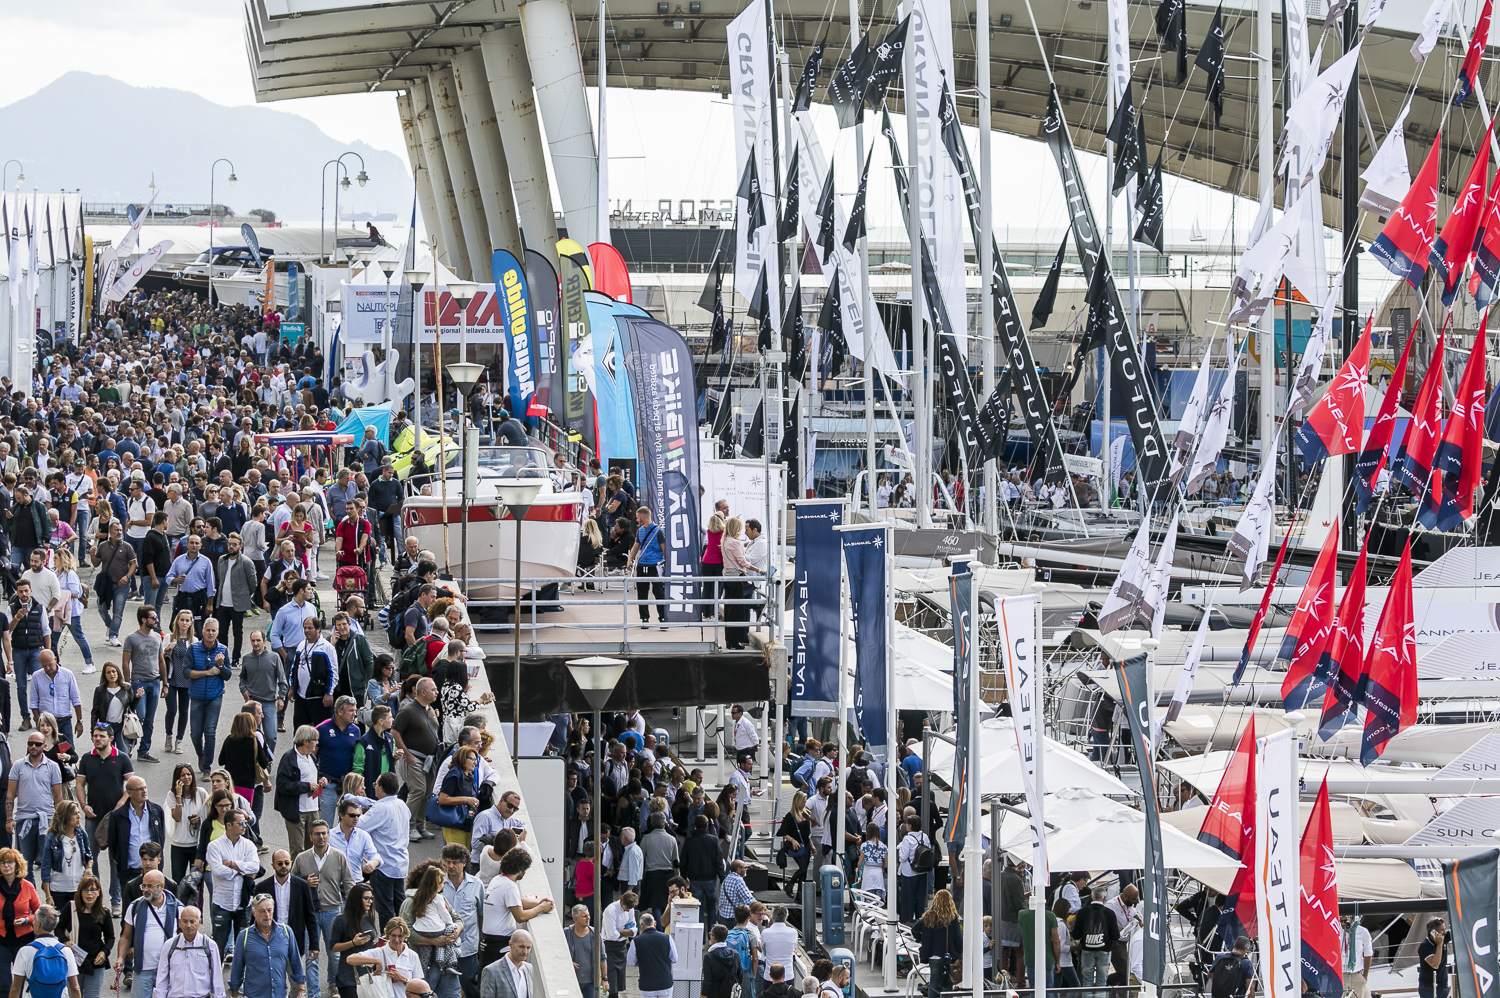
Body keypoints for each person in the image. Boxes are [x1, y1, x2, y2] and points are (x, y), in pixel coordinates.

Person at [253, 851, 318, 998]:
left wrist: (314, 944)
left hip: (293, 942)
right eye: (280, 863)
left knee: (296, 984)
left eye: (286, 863)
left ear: (291, 863)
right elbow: (254, 919)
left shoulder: (301, 886)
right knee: (271, 983)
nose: (283, 866)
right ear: (273, 865)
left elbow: (310, 916)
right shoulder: (262, 887)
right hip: (268, 943)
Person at [480, 848, 552, 967]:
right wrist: (541, 908)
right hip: (499, 943)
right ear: (520, 870)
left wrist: (539, 903)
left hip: (487, 940)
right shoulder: (510, 886)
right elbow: (520, 916)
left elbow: (516, 902)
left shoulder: (497, 880)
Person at [355, 773, 410, 929]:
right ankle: (403, 940)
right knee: (400, 907)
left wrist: (356, 803)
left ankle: (389, 943)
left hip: (383, 866)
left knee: (385, 909)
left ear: (381, 788)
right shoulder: (402, 805)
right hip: (400, 864)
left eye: (375, 785)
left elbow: (359, 825)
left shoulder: (380, 809)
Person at [9, 730, 64, 886]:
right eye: (30, 743)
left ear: (44, 746)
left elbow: (58, 797)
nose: (33, 746)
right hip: (23, 820)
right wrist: (9, 819)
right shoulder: (18, 766)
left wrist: (59, 822)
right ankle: (29, 900)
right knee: (24, 864)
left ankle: (51, 898)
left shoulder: (53, 767)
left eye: (37, 744)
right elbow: (10, 795)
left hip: (46, 820)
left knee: (49, 861)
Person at [116, 870, 182, 998]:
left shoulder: (178, 908)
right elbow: (126, 936)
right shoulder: (134, 907)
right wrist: (120, 958)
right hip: (142, 969)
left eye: (150, 886)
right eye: (143, 886)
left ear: (161, 886)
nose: (145, 889)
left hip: (169, 969)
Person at [227, 893, 306, 998]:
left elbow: (296, 962)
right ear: (254, 913)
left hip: (279, 995)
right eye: (262, 911)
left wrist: (301, 990)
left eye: (269, 910)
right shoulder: (244, 936)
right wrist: (234, 995)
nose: (267, 915)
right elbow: (237, 969)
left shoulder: (286, 932)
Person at [391, 679, 439, 842]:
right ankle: (409, 826)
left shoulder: (430, 709)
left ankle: (420, 825)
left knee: (426, 792)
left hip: (430, 759)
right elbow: (395, 732)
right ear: (423, 692)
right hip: (415, 757)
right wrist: (406, 754)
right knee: (417, 790)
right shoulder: (408, 710)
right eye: (433, 690)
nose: (436, 692)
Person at [186, 618, 231, 778]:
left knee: (210, 732)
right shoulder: (193, 648)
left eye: (214, 630)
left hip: (214, 697)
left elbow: (227, 676)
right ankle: (201, 754)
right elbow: (186, 672)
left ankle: (207, 767)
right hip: (197, 697)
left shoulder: (223, 650)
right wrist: (206, 672)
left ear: (217, 632)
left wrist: (220, 665)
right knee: (195, 734)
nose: (211, 633)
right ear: (203, 632)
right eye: (208, 630)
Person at [39, 800, 92, 936]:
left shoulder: (81, 835)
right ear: (66, 817)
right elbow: (45, 867)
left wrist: (89, 867)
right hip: (59, 890)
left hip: (78, 889)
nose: (79, 816)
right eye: (75, 814)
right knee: (61, 928)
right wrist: (48, 896)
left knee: (79, 926)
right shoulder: (52, 838)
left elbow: (89, 856)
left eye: (78, 813)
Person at [147, 904, 224, 998]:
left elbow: (217, 979)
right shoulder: (169, 945)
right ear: (179, 922)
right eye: (185, 921)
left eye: (192, 922)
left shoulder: (210, 946)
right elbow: (162, 978)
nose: (188, 925)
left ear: (199, 922)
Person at [9, 904, 81, 998]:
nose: (33, 922)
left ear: (38, 924)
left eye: (34, 920)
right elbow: (75, 988)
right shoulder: (65, 951)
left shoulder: (25, 951)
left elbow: (15, 988)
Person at [121, 606, 165, 761]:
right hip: (138, 683)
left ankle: (143, 751)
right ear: (144, 620)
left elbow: (161, 660)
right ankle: (128, 745)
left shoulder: (157, 637)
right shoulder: (131, 638)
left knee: (150, 720)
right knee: (139, 717)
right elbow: (125, 663)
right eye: (153, 618)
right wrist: (127, 685)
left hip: (154, 682)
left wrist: (164, 683)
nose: (156, 620)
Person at [10, 579, 51, 733]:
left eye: (26, 591)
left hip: (35, 650)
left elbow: (46, 631)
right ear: (17, 592)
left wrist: (48, 653)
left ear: (31, 591)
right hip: (19, 651)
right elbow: (7, 631)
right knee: (21, 686)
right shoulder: (12, 608)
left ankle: (40, 718)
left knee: (38, 684)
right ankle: (25, 718)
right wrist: (17, 618)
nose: (24, 594)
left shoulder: (39, 608)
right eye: (21, 591)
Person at [214, 533, 258, 667]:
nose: (231, 547)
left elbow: (253, 583)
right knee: (222, 632)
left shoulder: (246, 562)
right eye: (229, 544)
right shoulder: (222, 560)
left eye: (234, 544)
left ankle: (235, 658)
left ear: (240, 546)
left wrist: (244, 595)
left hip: (238, 604)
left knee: (237, 631)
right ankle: (224, 657)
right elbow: (220, 579)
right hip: (222, 603)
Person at [238, 632, 286, 752]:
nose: (255, 643)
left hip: (269, 702)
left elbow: (282, 679)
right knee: (251, 736)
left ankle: (267, 760)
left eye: (258, 640)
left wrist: (281, 697)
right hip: (252, 703)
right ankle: (255, 762)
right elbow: (242, 678)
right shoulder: (246, 658)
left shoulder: (274, 657)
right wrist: (243, 690)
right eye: (253, 641)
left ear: (264, 641)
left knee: (271, 736)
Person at [329, 886, 378, 998]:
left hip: (367, 974)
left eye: (371, 898)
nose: (370, 901)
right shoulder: (341, 920)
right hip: (348, 977)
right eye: (366, 898)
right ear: (356, 899)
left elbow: (367, 945)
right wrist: (353, 943)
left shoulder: (367, 918)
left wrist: (378, 945)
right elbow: (333, 947)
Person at [0, 849, 41, 983]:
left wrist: (26, 920)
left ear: (17, 865)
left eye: (10, 862)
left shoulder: (27, 886)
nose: (6, 866)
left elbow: (39, 914)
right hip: (2, 940)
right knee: (4, 983)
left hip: (24, 940)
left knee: (24, 982)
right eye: (3, 863)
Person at [291, 618, 338, 731]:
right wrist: (292, 686)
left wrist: (329, 692)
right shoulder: (301, 645)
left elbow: (333, 672)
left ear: (318, 628)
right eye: (305, 628)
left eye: (310, 628)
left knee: (322, 730)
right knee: (300, 729)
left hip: (318, 696)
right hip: (301, 696)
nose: (306, 630)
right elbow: (294, 667)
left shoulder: (327, 648)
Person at [1075, 886, 1121, 998]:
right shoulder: (1110, 913)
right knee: (1101, 982)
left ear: (1091, 897)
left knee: (1087, 982)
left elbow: (1076, 934)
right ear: (1104, 898)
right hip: (1104, 950)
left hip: (1087, 950)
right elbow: (1115, 936)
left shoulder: (1082, 912)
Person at [161, 611, 196, 757]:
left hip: (187, 680)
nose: (184, 623)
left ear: (191, 623)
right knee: (172, 709)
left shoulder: (193, 640)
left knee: (184, 710)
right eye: (182, 620)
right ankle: (169, 735)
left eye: (187, 620)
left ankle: (179, 740)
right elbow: (160, 657)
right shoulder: (170, 637)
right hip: (171, 678)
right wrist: (166, 649)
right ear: (177, 621)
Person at [71, 877, 112, 998]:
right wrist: (65, 941)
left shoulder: (104, 912)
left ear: (99, 892)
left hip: (95, 961)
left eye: (93, 890)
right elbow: (58, 929)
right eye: (85, 890)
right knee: (74, 994)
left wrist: (104, 952)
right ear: (80, 892)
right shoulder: (71, 909)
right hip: (75, 961)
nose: (89, 893)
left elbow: (110, 937)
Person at [626, 507, 667, 627]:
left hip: (655, 565)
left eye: (638, 518)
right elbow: (635, 547)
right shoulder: (640, 531)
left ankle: (663, 617)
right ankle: (644, 618)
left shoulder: (659, 531)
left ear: (643, 517)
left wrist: (666, 567)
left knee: (658, 592)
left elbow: (664, 550)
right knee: (642, 593)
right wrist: (630, 560)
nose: (637, 520)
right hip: (642, 564)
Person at [916, 889, 961, 998]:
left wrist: (922, 939)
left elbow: (914, 929)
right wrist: (960, 954)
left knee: (934, 983)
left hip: (933, 955)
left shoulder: (928, 916)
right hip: (948, 955)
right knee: (947, 982)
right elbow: (958, 939)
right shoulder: (952, 917)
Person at [627, 912, 677, 998]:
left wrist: (642, 963)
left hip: (647, 985)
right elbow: (674, 958)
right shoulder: (667, 938)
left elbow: (631, 962)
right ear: (655, 923)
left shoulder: (636, 941)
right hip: (665, 984)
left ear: (641, 926)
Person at [599, 891, 637, 998]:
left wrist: (620, 931)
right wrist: (627, 930)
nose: (628, 910)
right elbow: (612, 935)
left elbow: (634, 930)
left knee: (619, 981)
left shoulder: (630, 908)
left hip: (621, 947)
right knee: (611, 982)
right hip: (609, 946)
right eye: (627, 908)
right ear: (621, 902)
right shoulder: (610, 911)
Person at [477, 927, 533, 998]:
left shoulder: (529, 968)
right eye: (521, 947)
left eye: (528, 948)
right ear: (510, 944)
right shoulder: (491, 971)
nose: (525, 952)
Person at [1019, 895, 1061, 989]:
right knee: (1049, 988)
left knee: (1034, 989)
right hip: (1048, 957)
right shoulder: (1050, 916)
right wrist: (1057, 962)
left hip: (1030, 958)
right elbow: (1056, 941)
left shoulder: (1022, 914)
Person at [896, 814, 931, 925]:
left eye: (907, 823)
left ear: (910, 826)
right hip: (922, 870)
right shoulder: (924, 836)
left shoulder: (907, 839)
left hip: (909, 872)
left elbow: (903, 857)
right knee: (920, 898)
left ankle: (907, 921)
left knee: (908, 898)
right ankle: (920, 920)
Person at [760, 907, 798, 996]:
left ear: (773, 918)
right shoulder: (793, 932)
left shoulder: (765, 933)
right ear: (786, 918)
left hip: (770, 975)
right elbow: (793, 947)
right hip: (787, 974)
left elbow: (763, 948)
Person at [700, 924, 738, 998]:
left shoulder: (709, 957)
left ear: (713, 938)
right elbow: (740, 975)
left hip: (714, 993)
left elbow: (707, 980)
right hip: (731, 993)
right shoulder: (735, 954)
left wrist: (703, 995)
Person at [1341, 915, 1374, 998]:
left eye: (1345, 921)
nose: (1343, 923)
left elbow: (1368, 954)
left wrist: (1365, 976)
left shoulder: (1363, 932)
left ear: (1352, 920)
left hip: (1356, 974)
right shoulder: (1336, 930)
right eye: (1341, 921)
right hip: (1341, 974)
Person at [1418, 918, 1451, 998]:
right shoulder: (1424, 946)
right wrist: (1440, 945)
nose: (1445, 932)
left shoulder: (1445, 937)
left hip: (1443, 986)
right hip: (1428, 988)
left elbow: (1457, 929)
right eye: (1442, 930)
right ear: (1433, 932)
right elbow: (1435, 964)